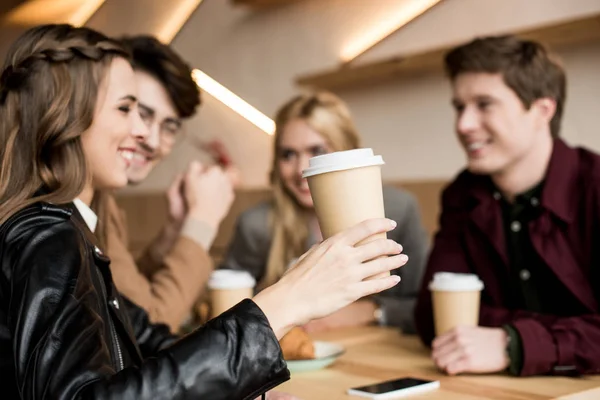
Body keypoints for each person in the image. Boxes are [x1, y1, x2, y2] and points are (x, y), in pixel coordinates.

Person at [0, 24, 408, 399]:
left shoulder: (75, 228)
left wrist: (247, 378)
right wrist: (286, 301)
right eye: (126, 109)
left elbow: (145, 346)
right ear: (66, 116)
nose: (145, 134)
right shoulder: (48, 236)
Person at [414, 35, 600, 377]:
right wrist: (572, 332)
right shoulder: (462, 194)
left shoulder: (594, 186)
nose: (463, 125)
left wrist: (512, 342)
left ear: (542, 110)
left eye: (484, 104)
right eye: (459, 107)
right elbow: (432, 315)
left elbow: (462, 324)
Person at [221, 92, 429, 333]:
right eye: (288, 154)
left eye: (316, 151)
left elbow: (425, 305)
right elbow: (225, 305)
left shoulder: (398, 211)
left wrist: (368, 311)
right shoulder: (257, 225)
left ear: (346, 149)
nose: (301, 169)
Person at [99, 35, 235, 333]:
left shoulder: (103, 200)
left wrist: (173, 234)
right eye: (139, 113)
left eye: (169, 127)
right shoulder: (78, 201)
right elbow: (149, 327)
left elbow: (123, 298)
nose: (153, 141)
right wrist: (203, 222)